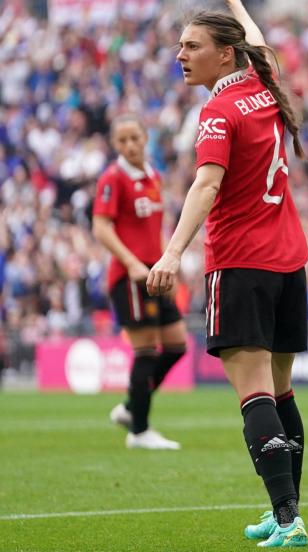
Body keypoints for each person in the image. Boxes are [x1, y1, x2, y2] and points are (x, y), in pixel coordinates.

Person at [146, 0, 308, 547]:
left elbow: (206, 186)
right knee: (281, 392)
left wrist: (171, 251)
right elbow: (261, 43)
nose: (180, 55)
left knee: (254, 395)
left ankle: (288, 520)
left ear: (223, 55)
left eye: (192, 47)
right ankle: (287, 511)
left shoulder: (218, 112)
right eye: (179, 45)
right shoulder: (264, 85)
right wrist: (236, 2)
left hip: (240, 263)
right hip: (289, 260)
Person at [92, 115, 187, 450]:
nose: (130, 145)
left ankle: (132, 407)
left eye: (135, 138)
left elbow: (154, 230)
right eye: (122, 141)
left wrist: (167, 265)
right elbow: (101, 227)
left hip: (154, 271)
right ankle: (140, 431)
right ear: (115, 145)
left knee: (177, 345)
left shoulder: (153, 176)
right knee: (145, 350)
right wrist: (131, 263)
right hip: (130, 276)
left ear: (145, 138)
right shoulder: (113, 178)